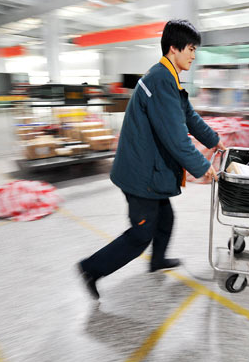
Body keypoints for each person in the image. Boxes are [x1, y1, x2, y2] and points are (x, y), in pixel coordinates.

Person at [77, 19, 226, 300]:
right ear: (174, 48)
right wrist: (203, 167)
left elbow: (187, 116)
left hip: (147, 169)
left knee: (165, 219)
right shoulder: (160, 80)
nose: (194, 56)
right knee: (141, 233)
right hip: (140, 175)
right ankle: (91, 268)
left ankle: (158, 261)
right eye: (191, 49)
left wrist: (213, 139)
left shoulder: (166, 76)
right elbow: (175, 137)